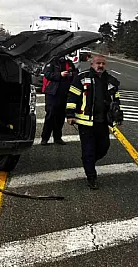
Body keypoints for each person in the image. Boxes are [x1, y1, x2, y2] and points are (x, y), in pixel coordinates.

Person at [66, 54, 123, 189]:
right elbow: (72, 96)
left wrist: (118, 117)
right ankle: (91, 177)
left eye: (103, 63)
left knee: (104, 147)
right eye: (98, 63)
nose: (100, 66)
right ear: (92, 64)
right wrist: (70, 114)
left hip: (103, 122)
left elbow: (116, 100)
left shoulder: (110, 81)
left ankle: (88, 161)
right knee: (88, 149)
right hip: (85, 122)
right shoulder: (81, 78)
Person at [40, 54, 76, 145]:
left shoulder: (69, 63)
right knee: (50, 115)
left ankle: (57, 137)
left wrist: (70, 74)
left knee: (60, 117)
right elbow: (47, 74)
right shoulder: (52, 63)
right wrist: (60, 74)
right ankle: (45, 138)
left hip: (65, 94)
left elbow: (76, 74)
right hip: (52, 93)